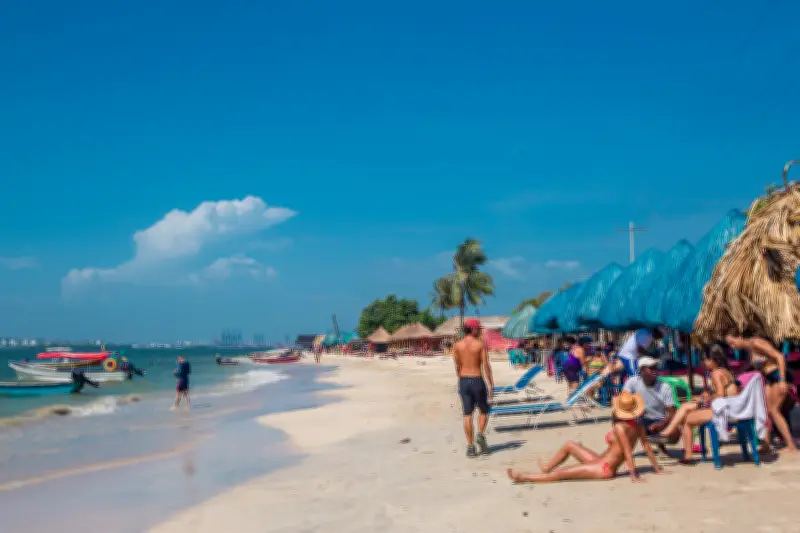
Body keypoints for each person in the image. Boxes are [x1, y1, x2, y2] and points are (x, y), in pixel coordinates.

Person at [506, 391, 666, 483]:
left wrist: (633, 475)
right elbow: (646, 447)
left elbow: (628, 452)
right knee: (569, 445)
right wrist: (656, 469)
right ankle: (547, 468)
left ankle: (525, 477)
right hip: (599, 462)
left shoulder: (620, 428)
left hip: (604, 469)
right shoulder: (637, 426)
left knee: (562, 473)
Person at [652, 344, 740, 442]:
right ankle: (669, 433)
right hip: (730, 407)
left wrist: (703, 399)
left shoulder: (716, 373)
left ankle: (668, 433)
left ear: (713, 359)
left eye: (704, 359)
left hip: (724, 409)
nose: (702, 362)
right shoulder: (724, 371)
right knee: (686, 408)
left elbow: (720, 394)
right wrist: (706, 396)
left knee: (684, 408)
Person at [725, 334, 797, 453]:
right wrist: (738, 374)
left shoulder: (756, 342)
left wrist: (783, 380)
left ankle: (791, 446)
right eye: (729, 345)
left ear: (740, 337)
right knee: (765, 410)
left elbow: (779, 357)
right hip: (770, 377)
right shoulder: (749, 348)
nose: (732, 347)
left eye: (733, 342)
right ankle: (766, 445)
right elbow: (755, 365)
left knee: (774, 410)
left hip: (778, 375)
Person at [453, 318, 494, 458]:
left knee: (467, 414)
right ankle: (480, 434)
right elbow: (486, 365)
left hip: (463, 380)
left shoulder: (457, 345)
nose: (480, 331)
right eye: (479, 329)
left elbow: (457, 366)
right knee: (484, 410)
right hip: (477, 380)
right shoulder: (480, 345)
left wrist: (462, 379)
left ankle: (470, 447)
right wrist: (491, 383)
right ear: (474, 329)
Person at [621, 357, 676, 446]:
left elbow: (672, 412)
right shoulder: (633, 382)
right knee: (619, 418)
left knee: (675, 433)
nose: (655, 370)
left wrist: (662, 423)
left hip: (659, 419)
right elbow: (623, 400)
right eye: (651, 368)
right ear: (642, 371)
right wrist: (636, 410)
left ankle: (657, 442)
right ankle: (627, 447)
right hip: (640, 418)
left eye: (656, 368)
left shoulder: (665, 387)